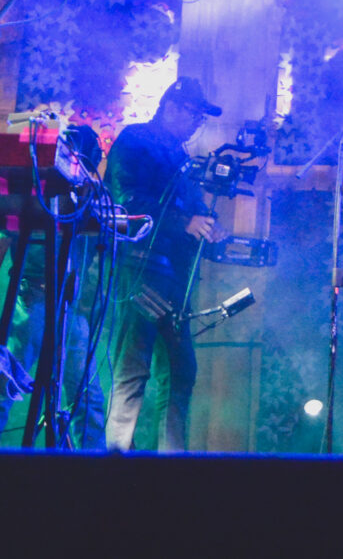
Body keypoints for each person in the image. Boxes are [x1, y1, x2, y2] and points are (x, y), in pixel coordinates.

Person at [103, 75, 222, 452]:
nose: (196, 124)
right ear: (172, 108)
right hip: (141, 268)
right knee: (133, 367)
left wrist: (207, 225)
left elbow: (188, 207)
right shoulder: (136, 141)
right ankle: (116, 455)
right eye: (194, 115)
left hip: (173, 276)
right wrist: (183, 222)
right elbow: (125, 202)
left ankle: (171, 459)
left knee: (180, 370)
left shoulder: (179, 156)